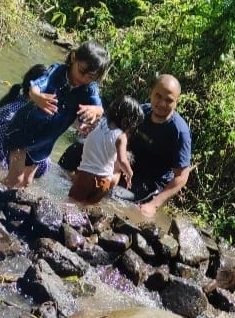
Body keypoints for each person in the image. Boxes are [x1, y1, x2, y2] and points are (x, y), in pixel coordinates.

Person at [2, 41, 110, 188]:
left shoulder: (89, 89)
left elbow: (99, 109)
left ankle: (6, 204)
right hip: (23, 130)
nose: (84, 78)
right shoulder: (57, 72)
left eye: (90, 77)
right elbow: (34, 88)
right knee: (16, 178)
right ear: (73, 58)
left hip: (45, 141)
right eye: (81, 70)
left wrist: (93, 113)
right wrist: (38, 98)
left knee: (26, 182)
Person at [127, 74, 192, 218]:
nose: (162, 103)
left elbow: (182, 176)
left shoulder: (179, 132)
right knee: (79, 150)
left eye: (169, 100)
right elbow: (123, 139)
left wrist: (154, 204)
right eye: (158, 96)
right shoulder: (141, 112)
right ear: (151, 92)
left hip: (152, 182)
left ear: (176, 102)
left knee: (122, 201)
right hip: (129, 169)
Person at [69, 95, 144, 204]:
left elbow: (84, 129)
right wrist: (129, 173)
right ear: (127, 121)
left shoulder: (99, 121)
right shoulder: (121, 136)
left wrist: (84, 129)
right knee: (88, 208)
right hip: (104, 181)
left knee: (71, 203)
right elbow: (122, 160)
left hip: (85, 176)